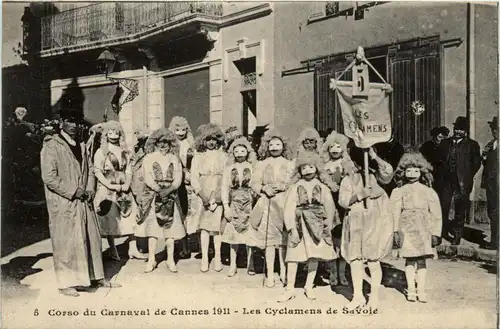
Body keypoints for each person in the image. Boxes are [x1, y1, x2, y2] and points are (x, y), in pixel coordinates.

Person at [40, 108, 120, 297]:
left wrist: (91, 188)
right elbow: (49, 177)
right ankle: (66, 283)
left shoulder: (82, 145)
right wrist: (73, 191)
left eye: (77, 122)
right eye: (70, 121)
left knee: (90, 239)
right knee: (66, 243)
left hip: (85, 200)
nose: (74, 126)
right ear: (61, 124)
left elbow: (91, 168)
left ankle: (96, 277)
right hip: (65, 202)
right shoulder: (51, 146)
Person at [338, 146, 394, 310]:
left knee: (373, 259)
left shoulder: (376, 176)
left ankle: (374, 297)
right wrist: (360, 195)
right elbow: (343, 201)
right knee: (355, 259)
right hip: (355, 221)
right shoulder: (348, 180)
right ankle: (358, 296)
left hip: (373, 222)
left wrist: (374, 156)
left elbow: (388, 172)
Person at [278, 151, 338, 302]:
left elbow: (329, 206)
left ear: (317, 168)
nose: (307, 170)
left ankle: (309, 286)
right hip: (300, 225)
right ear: (299, 170)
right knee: (293, 256)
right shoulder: (295, 187)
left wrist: (327, 224)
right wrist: (291, 227)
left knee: (314, 255)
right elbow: (289, 207)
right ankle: (289, 288)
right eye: (303, 168)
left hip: (316, 225)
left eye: (311, 167)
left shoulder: (322, 187)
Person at [390, 151, 442, 303]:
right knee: (410, 259)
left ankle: (421, 290)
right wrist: (395, 231)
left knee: (422, 260)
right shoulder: (399, 191)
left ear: (422, 172)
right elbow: (394, 212)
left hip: (424, 228)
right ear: (403, 172)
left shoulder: (428, 191)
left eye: (416, 170)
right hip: (406, 228)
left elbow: (436, 213)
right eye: (408, 170)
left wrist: (435, 233)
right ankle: (411, 289)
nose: (412, 174)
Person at [249, 129, 294, 288]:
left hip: (284, 203)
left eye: (278, 144)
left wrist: (284, 186)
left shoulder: (290, 164)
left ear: (284, 146)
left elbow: (294, 182)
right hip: (267, 204)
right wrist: (263, 189)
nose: (275, 147)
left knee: (283, 240)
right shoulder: (262, 164)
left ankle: (283, 270)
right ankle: (269, 273)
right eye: (271, 144)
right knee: (269, 242)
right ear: (266, 146)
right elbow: (254, 182)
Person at [93, 120, 141, 261]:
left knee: (130, 217)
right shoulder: (101, 152)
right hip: (108, 188)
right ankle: (113, 249)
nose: (113, 135)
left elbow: (129, 170)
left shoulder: (124, 151)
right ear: (106, 134)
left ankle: (133, 248)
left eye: (116, 132)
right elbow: (97, 171)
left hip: (124, 188)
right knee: (110, 218)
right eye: (110, 132)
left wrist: (127, 183)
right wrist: (110, 185)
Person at [141, 128, 186, 273]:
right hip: (155, 196)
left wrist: (170, 188)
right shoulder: (149, 157)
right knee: (153, 230)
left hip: (171, 196)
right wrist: (157, 189)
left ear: (171, 143)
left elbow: (179, 178)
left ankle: (170, 259)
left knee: (170, 230)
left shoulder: (174, 158)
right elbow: (147, 176)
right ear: (155, 142)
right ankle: (152, 259)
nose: (163, 145)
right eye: (160, 142)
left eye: (166, 142)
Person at [438, 116, 482, 245]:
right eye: (457, 129)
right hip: (446, 181)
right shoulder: (445, 143)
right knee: (443, 207)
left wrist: (466, 175)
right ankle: (442, 233)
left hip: (462, 183)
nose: (458, 132)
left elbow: (476, 163)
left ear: (466, 131)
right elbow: (439, 161)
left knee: (460, 209)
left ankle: (457, 236)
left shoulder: (472, 145)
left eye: (461, 130)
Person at [190, 123, 227, 272]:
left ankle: (217, 256)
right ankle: (205, 257)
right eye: (208, 139)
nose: (211, 142)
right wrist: (202, 195)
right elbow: (194, 178)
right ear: (202, 141)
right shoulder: (198, 157)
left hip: (218, 192)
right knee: (204, 227)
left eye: (214, 139)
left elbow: (226, 176)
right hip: (203, 194)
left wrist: (220, 195)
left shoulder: (224, 156)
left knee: (216, 228)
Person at [320, 130, 355, 287]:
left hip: (343, 204)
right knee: (331, 238)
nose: (335, 149)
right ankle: (332, 271)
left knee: (343, 239)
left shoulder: (348, 164)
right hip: (328, 203)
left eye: (338, 146)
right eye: (332, 146)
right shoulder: (324, 165)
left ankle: (342, 272)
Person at [221, 137, 257, 277]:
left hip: (249, 202)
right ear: (233, 153)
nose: (240, 153)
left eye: (243, 150)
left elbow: (256, 184)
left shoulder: (252, 167)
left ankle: (251, 263)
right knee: (233, 236)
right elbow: (224, 187)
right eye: (237, 151)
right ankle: (233, 265)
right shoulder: (229, 169)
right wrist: (226, 206)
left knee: (250, 234)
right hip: (234, 202)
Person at [168, 116, 196, 258]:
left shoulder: (191, 144)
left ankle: (190, 245)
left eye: (183, 130)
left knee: (190, 213)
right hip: (177, 182)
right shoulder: (171, 146)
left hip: (190, 182)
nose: (180, 133)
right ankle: (180, 245)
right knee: (179, 213)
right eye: (177, 130)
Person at [481, 116, 498, 250]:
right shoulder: (491, 144)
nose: (495, 132)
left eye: (497, 129)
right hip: (492, 185)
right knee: (492, 212)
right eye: (494, 129)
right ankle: (494, 241)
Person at [373, 132, 404, 196]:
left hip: (393, 174)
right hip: (381, 173)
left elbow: (398, 162)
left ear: (392, 135)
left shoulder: (398, 147)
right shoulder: (379, 145)